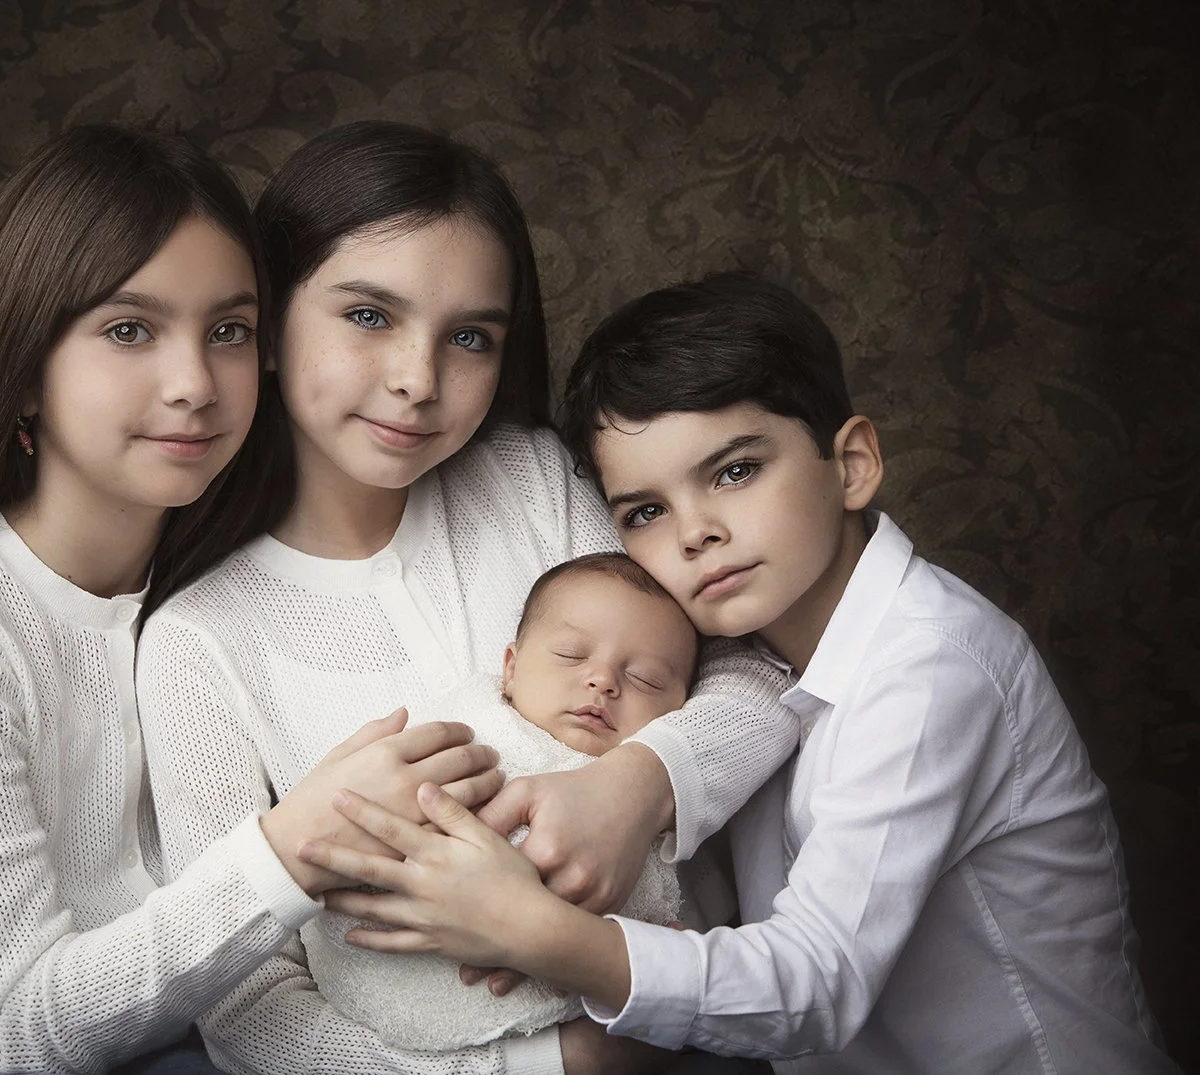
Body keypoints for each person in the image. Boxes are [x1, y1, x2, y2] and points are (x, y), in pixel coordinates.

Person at [294, 272, 1177, 1074]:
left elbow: (814, 984)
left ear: (853, 464)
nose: (694, 532)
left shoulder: (928, 665)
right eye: (644, 509)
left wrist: (529, 927)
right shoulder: (728, 661)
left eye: (736, 470)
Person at [0, 125, 503, 1075]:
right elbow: (26, 1029)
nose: (194, 384)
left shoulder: (213, 580)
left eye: (229, 331)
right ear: (24, 365)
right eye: (129, 331)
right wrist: (295, 846)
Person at [137, 123, 799, 1075]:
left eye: (469, 337)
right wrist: (544, 1070)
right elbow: (248, 1006)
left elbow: (757, 670)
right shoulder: (201, 637)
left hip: (706, 1018)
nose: (417, 380)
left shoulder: (529, 483)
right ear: (268, 320)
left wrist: (637, 783)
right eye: (368, 315)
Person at [306, 552, 727, 1052]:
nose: (603, 681)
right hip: (375, 974)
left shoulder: (658, 802)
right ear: (509, 668)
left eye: (647, 680)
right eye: (571, 654)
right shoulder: (462, 736)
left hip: (567, 1028)